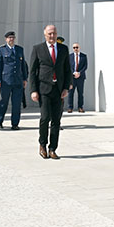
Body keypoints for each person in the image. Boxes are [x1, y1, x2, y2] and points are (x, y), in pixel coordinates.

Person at [29, 24, 71, 159]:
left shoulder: (63, 49)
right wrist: (34, 90)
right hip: (43, 89)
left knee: (56, 120)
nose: (52, 36)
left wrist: (66, 87)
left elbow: (67, 70)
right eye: (49, 34)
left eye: (54, 33)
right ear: (45, 35)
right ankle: (42, 144)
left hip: (58, 90)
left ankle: (52, 148)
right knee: (45, 117)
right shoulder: (38, 49)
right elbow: (32, 71)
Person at [0, 31, 28, 130]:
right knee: (4, 102)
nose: (11, 39)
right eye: (9, 38)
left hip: (18, 80)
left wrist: (24, 78)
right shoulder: (1, 50)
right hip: (6, 80)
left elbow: (23, 66)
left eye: (13, 37)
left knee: (17, 103)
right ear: (6, 39)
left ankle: (15, 123)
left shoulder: (19, 49)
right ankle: (0, 121)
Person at [66, 43, 88, 113]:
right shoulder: (70, 56)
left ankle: (80, 107)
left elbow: (85, 66)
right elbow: (68, 66)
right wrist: (73, 73)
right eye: (74, 47)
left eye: (77, 47)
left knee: (80, 93)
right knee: (70, 93)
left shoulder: (83, 56)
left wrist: (79, 73)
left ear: (79, 48)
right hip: (72, 77)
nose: (75, 49)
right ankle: (70, 107)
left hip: (80, 77)